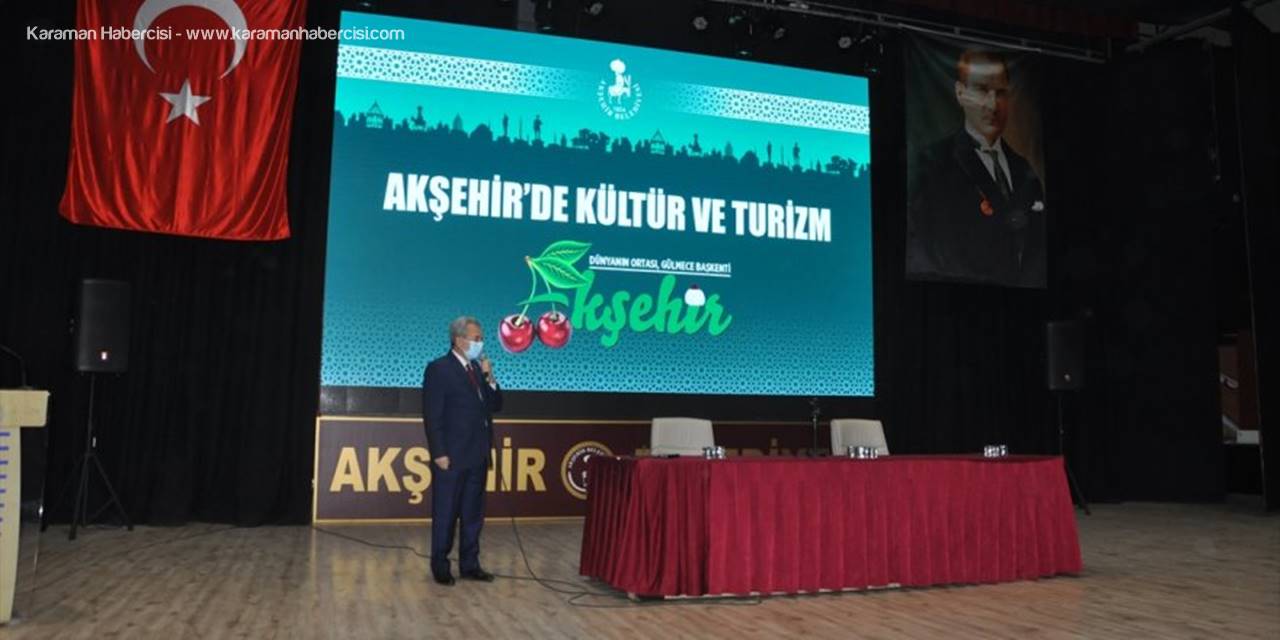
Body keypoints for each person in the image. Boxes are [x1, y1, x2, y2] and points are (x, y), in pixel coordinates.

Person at [907, 49, 1046, 288]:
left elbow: (1036, 253)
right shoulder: (932, 163)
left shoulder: (1024, 170)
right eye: (981, 90)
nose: (992, 105)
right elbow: (926, 247)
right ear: (960, 93)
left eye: (1000, 93)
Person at [422, 316, 503, 586]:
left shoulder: (477, 370)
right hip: (452, 456)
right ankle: (440, 565)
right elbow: (432, 415)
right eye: (476, 338)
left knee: (473, 515)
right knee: (446, 513)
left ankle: (470, 565)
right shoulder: (439, 369)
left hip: (477, 454)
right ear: (458, 339)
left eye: (481, 339)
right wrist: (439, 452)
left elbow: (495, 405)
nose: (480, 343)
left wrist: (490, 377)